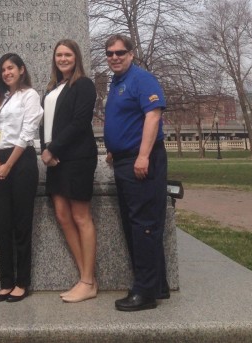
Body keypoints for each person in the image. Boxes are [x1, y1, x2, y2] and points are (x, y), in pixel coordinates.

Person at [103, 34, 169, 312]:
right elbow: (125, 120)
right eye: (110, 53)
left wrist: (142, 155)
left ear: (131, 53)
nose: (115, 57)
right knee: (138, 223)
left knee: (143, 224)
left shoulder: (142, 79)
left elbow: (153, 115)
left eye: (120, 52)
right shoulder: (117, 82)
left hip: (141, 161)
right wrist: (113, 150)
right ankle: (157, 285)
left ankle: (144, 292)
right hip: (123, 159)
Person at [39, 39, 98, 303]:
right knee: (62, 215)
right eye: (59, 55)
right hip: (55, 159)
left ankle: (87, 281)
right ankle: (86, 277)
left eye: (68, 54)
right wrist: (45, 150)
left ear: (76, 57)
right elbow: (45, 124)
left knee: (80, 216)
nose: (63, 58)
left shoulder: (83, 84)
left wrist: (53, 149)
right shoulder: (53, 88)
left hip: (77, 158)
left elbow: (79, 122)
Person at [0, 53, 43, 303]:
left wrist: (8, 164)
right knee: (2, 225)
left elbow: (27, 131)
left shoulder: (30, 96)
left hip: (21, 161)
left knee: (21, 224)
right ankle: (6, 281)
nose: (7, 73)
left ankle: (22, 282)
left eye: (11, 68)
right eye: (3, 70)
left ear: (21, 70)